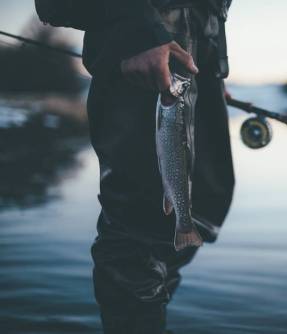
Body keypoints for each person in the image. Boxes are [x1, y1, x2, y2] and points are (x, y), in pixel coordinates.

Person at [35, 0, 235, 333]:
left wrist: (211, 65)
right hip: (143, 47)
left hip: (200, 57)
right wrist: (138, 30)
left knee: (203, 208)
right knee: (139, 234)